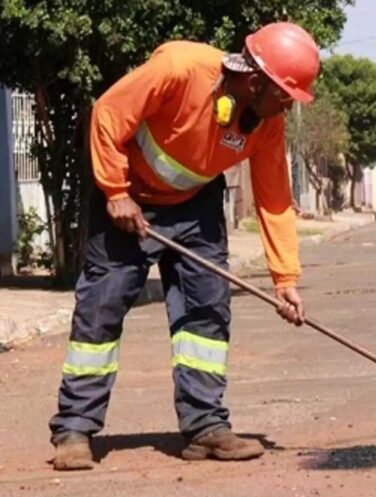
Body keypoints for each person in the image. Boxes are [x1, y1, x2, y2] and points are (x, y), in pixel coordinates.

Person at [49, 22, 321, 470]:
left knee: (206, 314)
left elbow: (274, 199)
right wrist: (116, 192)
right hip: (127, 201)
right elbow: (107, 115)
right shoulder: (179, 68)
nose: (287, 105)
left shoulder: (266, 126)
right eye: (285, 94)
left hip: (196, 208)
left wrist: (285, 278)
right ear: (255, 80)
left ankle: (205, 428)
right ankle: (75, 429)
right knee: (101, 310)